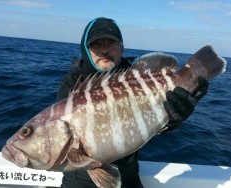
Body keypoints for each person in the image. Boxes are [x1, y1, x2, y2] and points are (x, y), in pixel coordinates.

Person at [56, 17, 208, 188]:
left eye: (111, 43)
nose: (104, 50)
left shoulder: (136, 74)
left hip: (129, 176)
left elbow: (154, 121)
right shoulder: (73, 83)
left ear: (122, 46)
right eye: (97, 44)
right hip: (79, 181)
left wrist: (176, 116)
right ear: (86, 48)